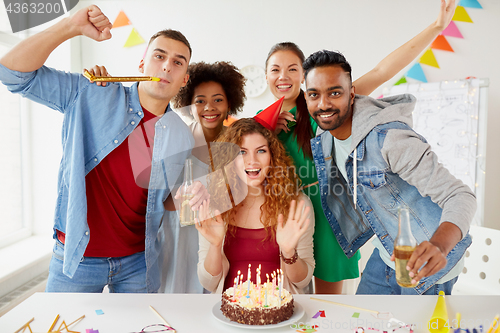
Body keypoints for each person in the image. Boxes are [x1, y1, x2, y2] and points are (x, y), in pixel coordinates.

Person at [0, 5, 207, 293]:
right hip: (77, 258)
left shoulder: (182, 136)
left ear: (184, 79)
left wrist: (193, 195)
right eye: (159, 56)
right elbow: (11, 73)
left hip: (139, 262)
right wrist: (69, 26)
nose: (166, 67)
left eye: (178, 62)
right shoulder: (91, 91)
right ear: (141, 64)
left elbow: (163, 199)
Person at [261, 0, 458, 294]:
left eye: (292, 69)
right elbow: (229, 165)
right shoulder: (259, 124)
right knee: (287, 300)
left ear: (303, 76)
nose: (283, 76)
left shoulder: (324, 109)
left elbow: (381, 71)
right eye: (275, 69)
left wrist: (437, 27)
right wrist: (265, 133)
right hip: (287, 217)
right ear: (266, 75)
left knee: (327, 309)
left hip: (328, 212)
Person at [303, 49, 476, 295]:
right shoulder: (324, 137)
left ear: (352, 94)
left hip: (429, 261)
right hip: (388, 253)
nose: (323, 104)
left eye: (334, 93)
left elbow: (461, 195)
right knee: (361, 322)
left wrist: (439, 245)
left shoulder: (389, 139)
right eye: (314, 95)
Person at [83, 61, 246, 293]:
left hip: (217, 233)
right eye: (200, 100)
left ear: (230, 102)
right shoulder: (175, 136)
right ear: (189, 101)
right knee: (172, 295)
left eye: (218, 99)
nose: (209, 107)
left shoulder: (239, 144)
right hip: (175, 232)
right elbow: (158, 194)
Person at [196, 118, 315, 293]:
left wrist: (289, 252)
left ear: (272, 156)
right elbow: (208, 283)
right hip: (230, 313)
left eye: (261, 151)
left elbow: (302, 281)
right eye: (241, 152)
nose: (252, 161)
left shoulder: (297, 205)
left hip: (279, 313)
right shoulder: (214, 204)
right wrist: (215, 245)